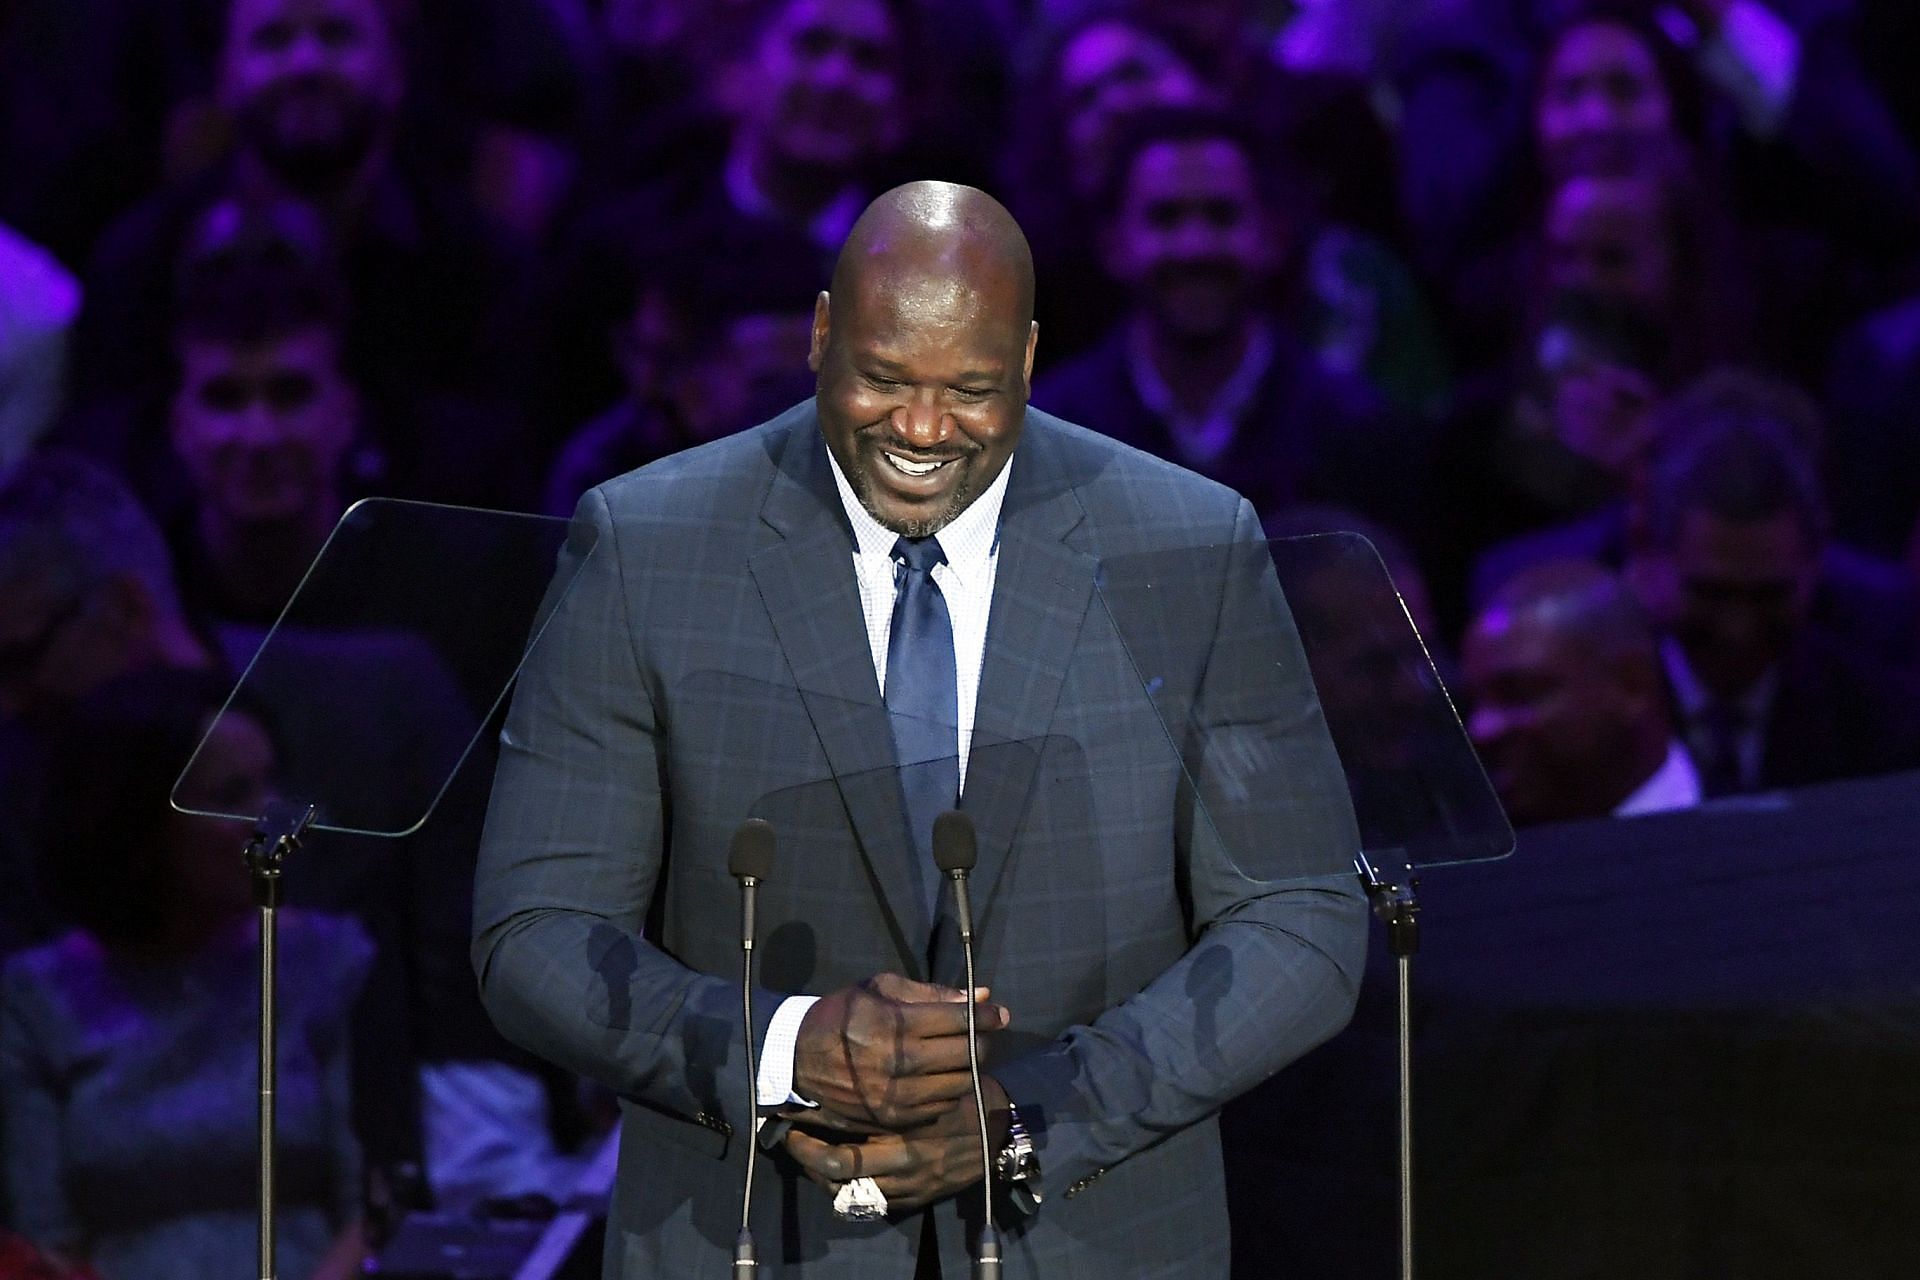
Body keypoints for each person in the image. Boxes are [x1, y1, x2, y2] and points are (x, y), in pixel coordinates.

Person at [472, 180, 1366, 1276]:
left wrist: (1033, 1110)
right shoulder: (648, 544)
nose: (924, 431)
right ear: (819, 333)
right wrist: (788, 1049)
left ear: (1031, 360)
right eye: (885, 379)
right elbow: (537, 930)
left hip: (1094, 1238)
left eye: (973, 390)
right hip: (756, 1237)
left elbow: (1303, 916)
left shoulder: (1189, 545)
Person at [0, 668, 370, 1280]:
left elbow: (373, 1210)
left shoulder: (332, 964)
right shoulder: (33, 999)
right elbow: (48, 1243)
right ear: (136, 826)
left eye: (270, 785)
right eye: (231, 796)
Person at [1031, 106, 1427, 537]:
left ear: (1273, 234)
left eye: (1222, 215)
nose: (1195, 246)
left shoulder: (1361, 433)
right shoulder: (1050, 438)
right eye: (1165, 218)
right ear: (1113, 245)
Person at [1625, 409, 1920, 794]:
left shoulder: (1883, 721)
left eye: (1768, 595)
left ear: (1814, 566)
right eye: (1711, 592)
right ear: (1649, 560)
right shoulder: (1597, 719)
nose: (1738, 630)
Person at [1463, 559, 1700, 825]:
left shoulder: (1740, 826)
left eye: (1518, 693)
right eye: (1473, 702)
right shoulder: (1474, 851)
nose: (1480, 729)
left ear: (1632, 684)